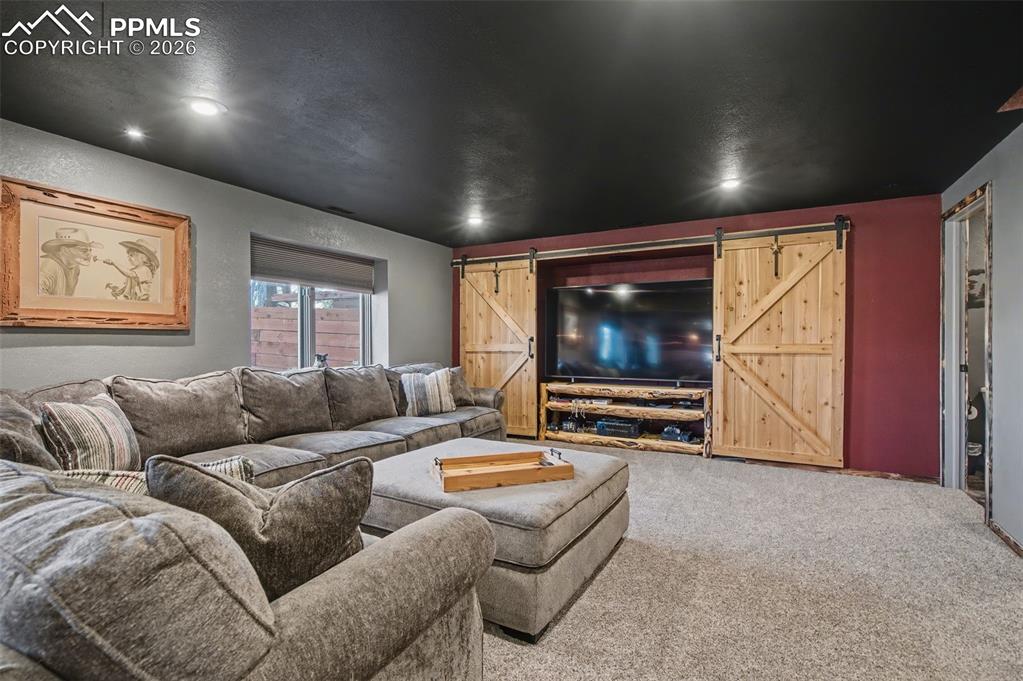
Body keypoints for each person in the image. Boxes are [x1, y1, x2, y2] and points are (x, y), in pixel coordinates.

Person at [38, 227, 101, 296]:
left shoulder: (75, 268)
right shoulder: (48, 266)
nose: (90, 255)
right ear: (65, 250)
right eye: (84, 250)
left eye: (90, 250)